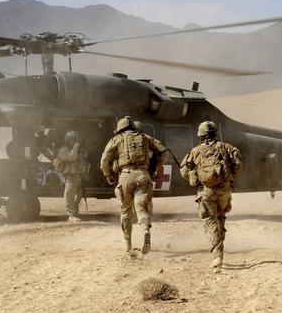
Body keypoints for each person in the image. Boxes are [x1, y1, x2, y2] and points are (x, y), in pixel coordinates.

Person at [180, 121, 242, 271]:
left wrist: (194, 176)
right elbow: (238, 166)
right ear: (215, 133)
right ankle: (220, 251)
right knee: (220, 219)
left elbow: (183, 171)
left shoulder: (195, 151)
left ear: (200, 135)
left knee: (209, 222)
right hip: (224, 191)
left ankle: (217, 256)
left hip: (206, 191)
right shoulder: (228, 147)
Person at [100, 116, 168, 254]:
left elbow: (104, 160)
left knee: (126, 210)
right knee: (141, 207)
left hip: (125, 176)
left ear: (120, 129)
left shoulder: (116, 139)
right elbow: (164, 152)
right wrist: (154, 168)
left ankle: (127, 244)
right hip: (143, 175)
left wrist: (108, 175)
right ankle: (145, 231)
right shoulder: (145, 138)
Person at [55, 130, 90, 222]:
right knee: (69, 195)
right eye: (72, 140)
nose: (74, 141)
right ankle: (71, 215)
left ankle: (75, 211)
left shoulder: (78, 150)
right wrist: (75, 147)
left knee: (79, 195)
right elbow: (71, 157)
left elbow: (85, 155)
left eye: (75, 140)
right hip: (70, 177)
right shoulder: (62, 150)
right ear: (67, 140)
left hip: (79, 176)